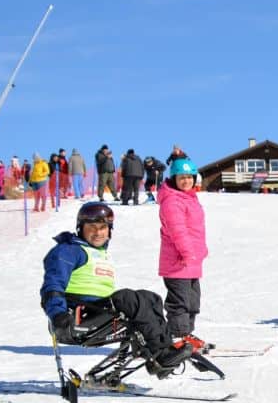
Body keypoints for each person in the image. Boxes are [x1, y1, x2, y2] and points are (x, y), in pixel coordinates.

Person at [40, 202, 193, 376]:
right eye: (91, 227)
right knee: (126, 298)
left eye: (103, 227)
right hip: (76, 316)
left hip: (100, 314)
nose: (98, 233)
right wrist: (58, 314)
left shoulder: (99, 252)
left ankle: (161, 351)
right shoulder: (69, 251)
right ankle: (161, 353)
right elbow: (52, 284)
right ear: (80, 227)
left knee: (150, 298)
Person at [158, 157, 210, 350]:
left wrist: (200, 250)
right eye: (182, 177)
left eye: (189, 177)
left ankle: (186, 334)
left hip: (192, 262)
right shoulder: (172, 201)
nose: (186, 181)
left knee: (192, 301)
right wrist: (188, 252)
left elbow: (196, 230)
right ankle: (177, 337)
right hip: (178, 261)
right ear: (174, 178)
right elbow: (177, 230)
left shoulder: (190, 198)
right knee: (179, 302)